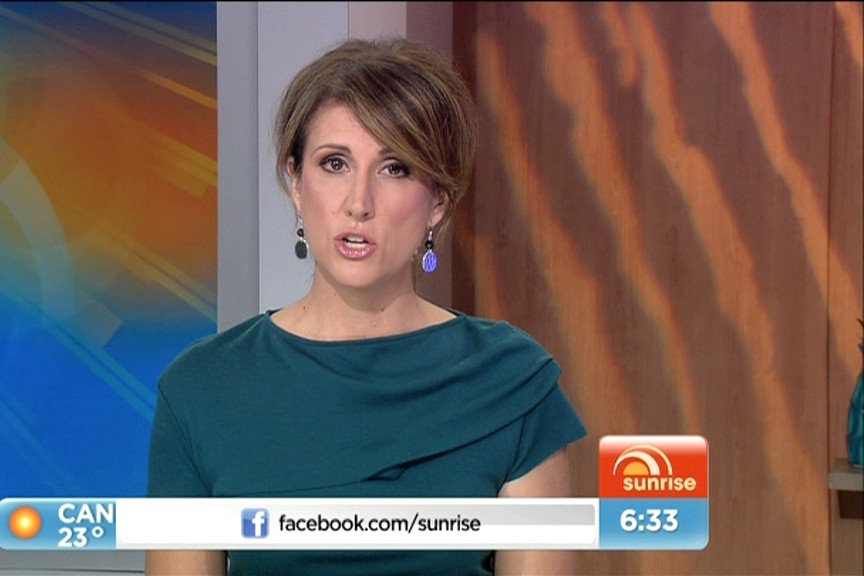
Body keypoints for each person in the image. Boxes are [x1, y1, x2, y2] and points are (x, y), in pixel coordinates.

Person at [145, 37, 586, 576]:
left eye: (395, 168)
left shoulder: (513, 382)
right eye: (334, 163)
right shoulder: (202, 389)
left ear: (438, 201)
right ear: (296, 184)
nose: (359, 203)